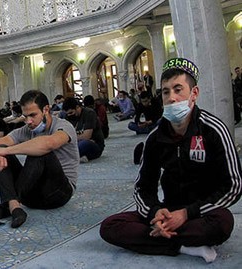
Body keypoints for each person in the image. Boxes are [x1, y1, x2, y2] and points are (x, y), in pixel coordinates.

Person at [100, 58, 242, 263]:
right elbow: (143, 187)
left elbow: (234, 186)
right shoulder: (156, 137)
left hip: (202, 212)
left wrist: (186, 214)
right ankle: (185, 245)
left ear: (194, 94)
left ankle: (165, 238)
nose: (172, 98)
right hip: (168, 209)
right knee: (110, 226)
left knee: (222, 223)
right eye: (166, 92)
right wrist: (155, 214)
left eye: (178, 90)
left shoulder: (213, 130)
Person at [0, 90, 78, 228]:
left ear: (46, 109)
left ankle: (8, 205)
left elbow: (49, 144)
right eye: (25, 116)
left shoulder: (63, 126)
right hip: (30, 196)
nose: (29, 121)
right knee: (1, 149)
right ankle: (13, 206)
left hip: (58, 194)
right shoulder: (27, 129)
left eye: (33, 115)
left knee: (40, 151)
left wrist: (5, 150)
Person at [63, 97, 104, 162]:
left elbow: (87, 136)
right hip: (75, 143)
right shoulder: (68, 117)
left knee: (84, 144)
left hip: (94, 144)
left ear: (77, 107)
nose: (69, 115)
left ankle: (68, 157)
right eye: (67, 114)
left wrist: (69, 139)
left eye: (71, 113)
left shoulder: (89, 113)